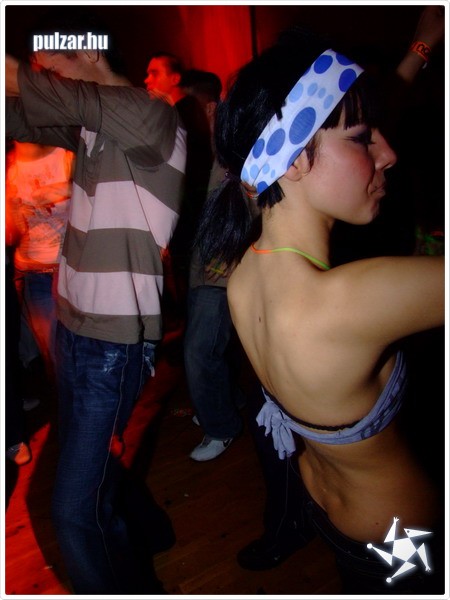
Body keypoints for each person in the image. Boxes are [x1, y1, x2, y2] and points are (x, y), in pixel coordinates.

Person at [195, 25, 444, 595]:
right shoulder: (351, 302)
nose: (388, 153)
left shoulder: (243, 271)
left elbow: (337, 117)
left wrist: (422, 47)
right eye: (363, 138)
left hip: (329, 510)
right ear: (293, 160)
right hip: (404, 542)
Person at [6, 7, 186, 595]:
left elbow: (32, 92)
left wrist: (21, 78)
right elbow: (16, 112)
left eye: (51, 65)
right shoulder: (90, 129)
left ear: (87, 52)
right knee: (90, 475)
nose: (44, 76)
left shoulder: (153, 114)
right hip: (73, 327)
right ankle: (147, 534)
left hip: (114, 342)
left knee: (73, 512)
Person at [181, 69, 249, 461]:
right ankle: (222, 403)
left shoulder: (250, 137)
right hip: (204, 262)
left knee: (199, 351)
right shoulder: (221, 138)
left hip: (222, 268)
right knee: (208, 349)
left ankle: (221, 426)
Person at [6, 141, 74, 386]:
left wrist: (66, 189)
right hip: (35, 273)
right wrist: (12, 214)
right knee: (54, 356)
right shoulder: (11, 167)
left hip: (71, 268)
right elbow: (10, 235)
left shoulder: (65, 155)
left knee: (79, 348)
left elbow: (97, 196)